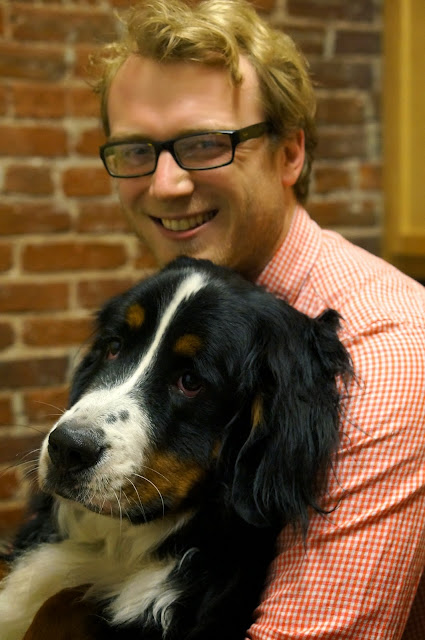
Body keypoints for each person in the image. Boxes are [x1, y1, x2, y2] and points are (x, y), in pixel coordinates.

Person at [49, 0, 425, 637]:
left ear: (289, 155)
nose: (165, 185)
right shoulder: (186, 295)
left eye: (204, 144)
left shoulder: (385, 351)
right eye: (137, 150)